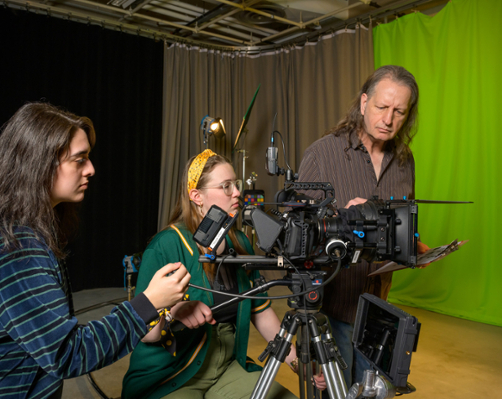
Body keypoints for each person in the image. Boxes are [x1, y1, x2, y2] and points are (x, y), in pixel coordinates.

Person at [0, 102, 191, 399]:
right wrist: (148, 303)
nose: (91, 169)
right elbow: (68, 353)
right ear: (39, 164)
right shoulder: (10, 244)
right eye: (79, 159)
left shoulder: (25, 226)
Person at [122, 149, 326, 399]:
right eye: (226, 186)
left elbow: (260, 312)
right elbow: (145, 333)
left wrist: (298, 364)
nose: (237, 193)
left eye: (236, 184)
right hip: (170, 375)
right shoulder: (167, 245)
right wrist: (174, 311)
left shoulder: (239, 242)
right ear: (197, 196)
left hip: (225, 366)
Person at [296, 65, 429, 389]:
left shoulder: (404, 160)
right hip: (331, 309)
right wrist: (344, 218)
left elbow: (401, 222)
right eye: (382, 107)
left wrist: (412, 242)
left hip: (377, 308)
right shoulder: (322, 153)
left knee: (373, 392)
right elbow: (296, 238)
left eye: (399, 111)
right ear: (364, 102)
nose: (388, 119)